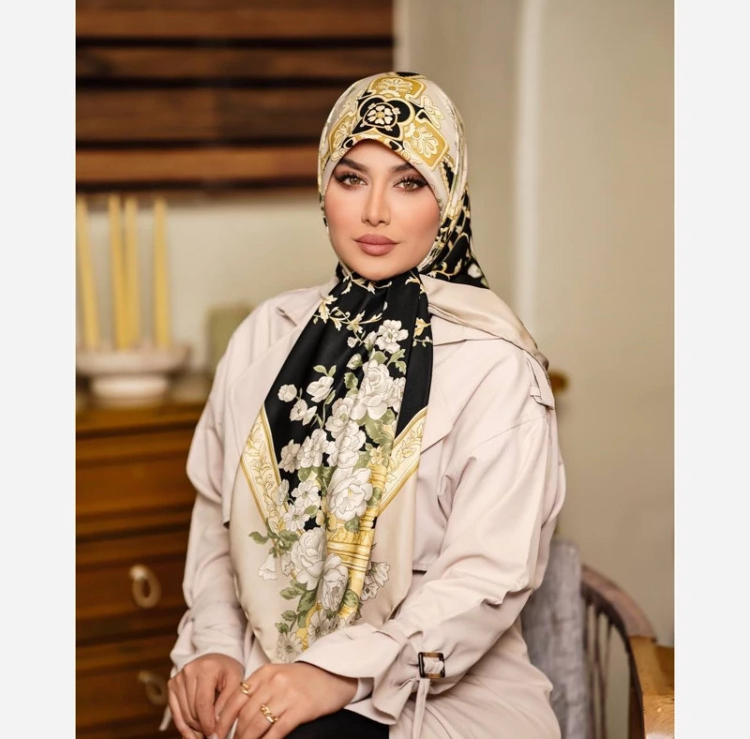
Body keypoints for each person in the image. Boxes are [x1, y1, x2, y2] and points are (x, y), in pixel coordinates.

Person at [165, 72, 566, 739]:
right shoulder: (267, 334)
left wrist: (336, 673)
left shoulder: (496, 365)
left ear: (448, 197)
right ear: (324, 188)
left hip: (438, 696)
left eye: (409, 182)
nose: (375, 211)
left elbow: (486, 577)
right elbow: (215, 518)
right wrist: (212, 646)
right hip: (266, 675)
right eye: (351, 178)